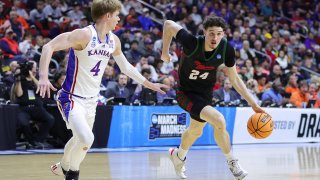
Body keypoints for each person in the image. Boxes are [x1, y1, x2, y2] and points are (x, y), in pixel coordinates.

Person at [36, 0, 168, 179]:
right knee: (86, 139)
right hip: (71, 98)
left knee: (79, 140)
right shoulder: (84, 35)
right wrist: (43, 77)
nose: (119, 19)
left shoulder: (114, 40)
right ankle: (71, 173)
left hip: (91, 101)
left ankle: (63, 166)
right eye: (116, 15)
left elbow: (126, 68)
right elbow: (48, 46)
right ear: (107, 16)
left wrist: (150, 84)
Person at [161, 15, 265, 179]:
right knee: (219, 120)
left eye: (218, 33)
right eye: (211, 33)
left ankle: (178, 156)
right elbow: (168, 24)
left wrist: (253, 103)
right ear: (204, 32)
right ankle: (232, 162)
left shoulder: (227, 49)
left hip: (204, 94)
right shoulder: (192, 43)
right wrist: (165, 52)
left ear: (223, 34)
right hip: (185, 93)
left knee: (195, 131)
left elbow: (234, 78)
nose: (214, 37)